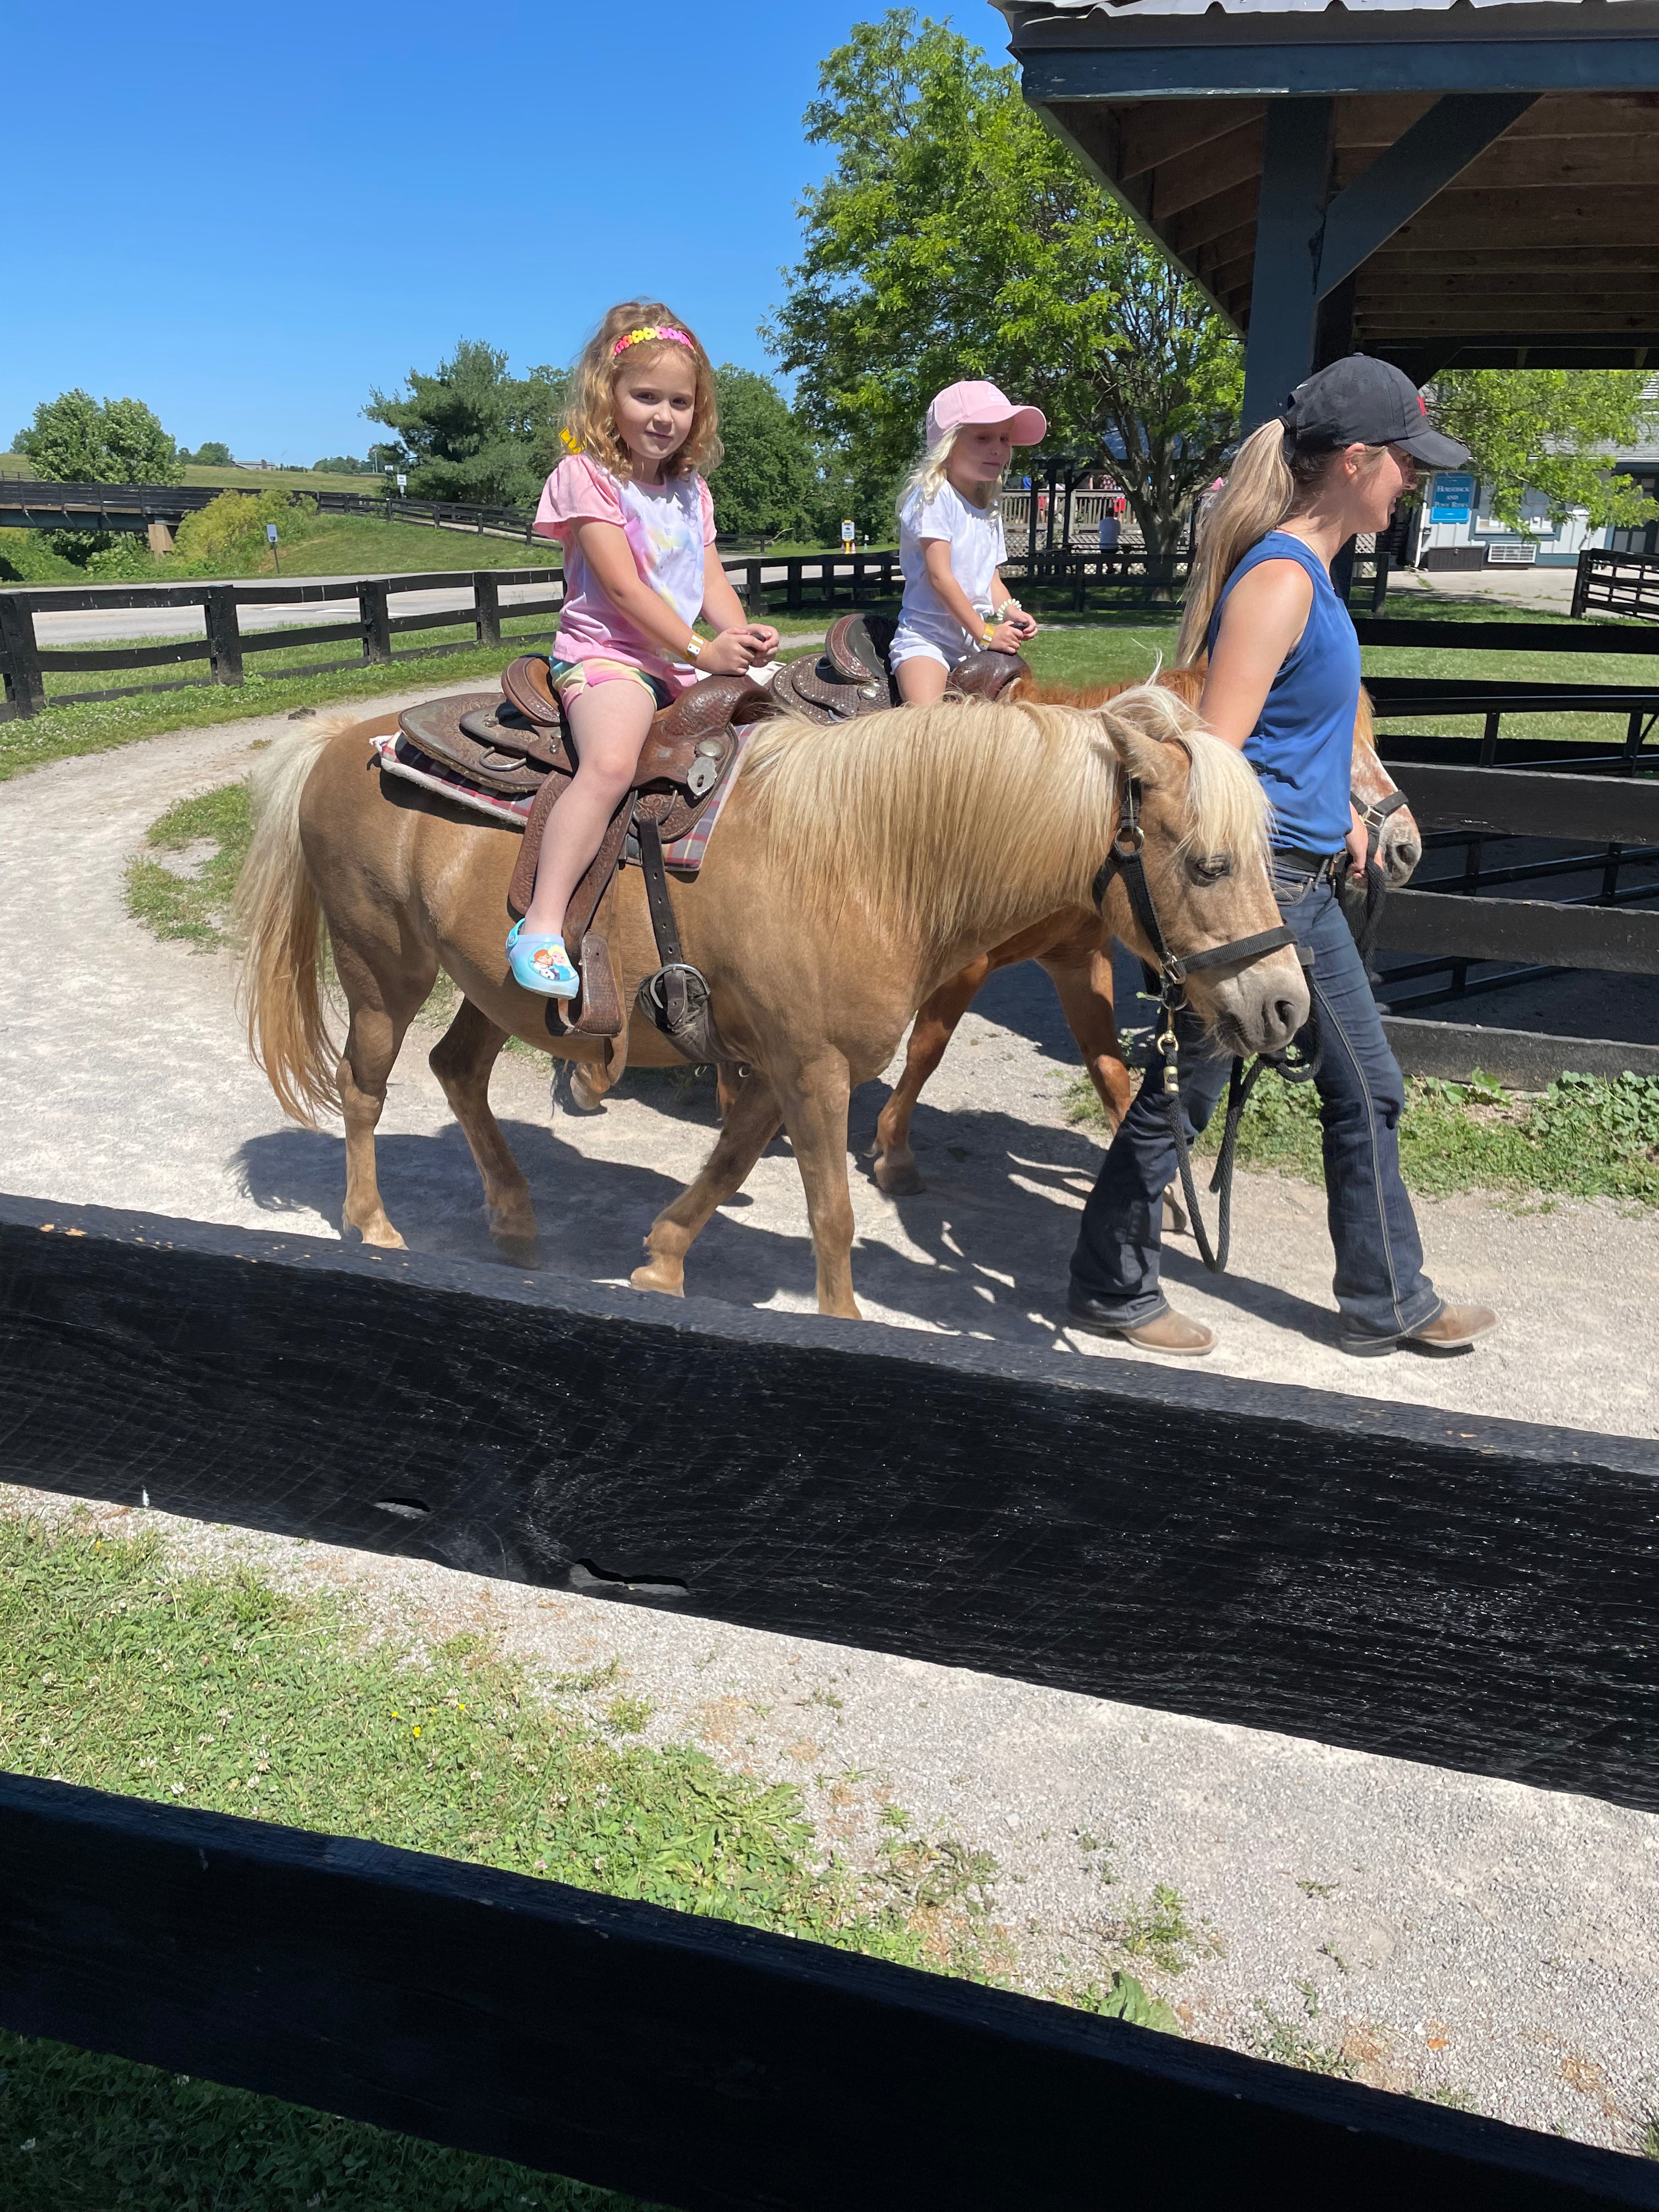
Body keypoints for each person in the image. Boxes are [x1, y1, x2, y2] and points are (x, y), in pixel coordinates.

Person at [1065, 355, 1498, 1359]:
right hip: (1271, 887)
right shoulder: (1278, 581)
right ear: (1353, 461)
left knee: (1220, 1086)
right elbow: (1215, 760)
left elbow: (1292, 732)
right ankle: (1371, 1298)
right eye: (1404, 463)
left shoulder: (1308, 576)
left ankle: (1126, 1283)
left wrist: (1339, 808)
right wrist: (1262, 870)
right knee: (1308, 1084)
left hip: (1301, 868)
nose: (1411, 482)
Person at [507, 301, 778, 997]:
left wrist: (740, 636)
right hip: (609, 656)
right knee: (609, 764)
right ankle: (541, 922)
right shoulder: (587, 477)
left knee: (777, 736)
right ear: (609, 396)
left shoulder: (691, 490)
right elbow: (624, 589)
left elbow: (710, 578)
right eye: (646, 396)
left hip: (678, 660)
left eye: (680, 402)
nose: (664, 416)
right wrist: (702, 651)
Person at [890, 381, 1046, 705]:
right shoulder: (934, 497)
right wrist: (986, 633)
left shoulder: (988, 508)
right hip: (928, 640)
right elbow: (940, 577)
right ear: (948, 443)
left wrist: (1012, 612)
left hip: (972, 643)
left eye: (1004, 439)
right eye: (983, 438)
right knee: (929, 721)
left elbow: (991, 580)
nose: (998, 449)